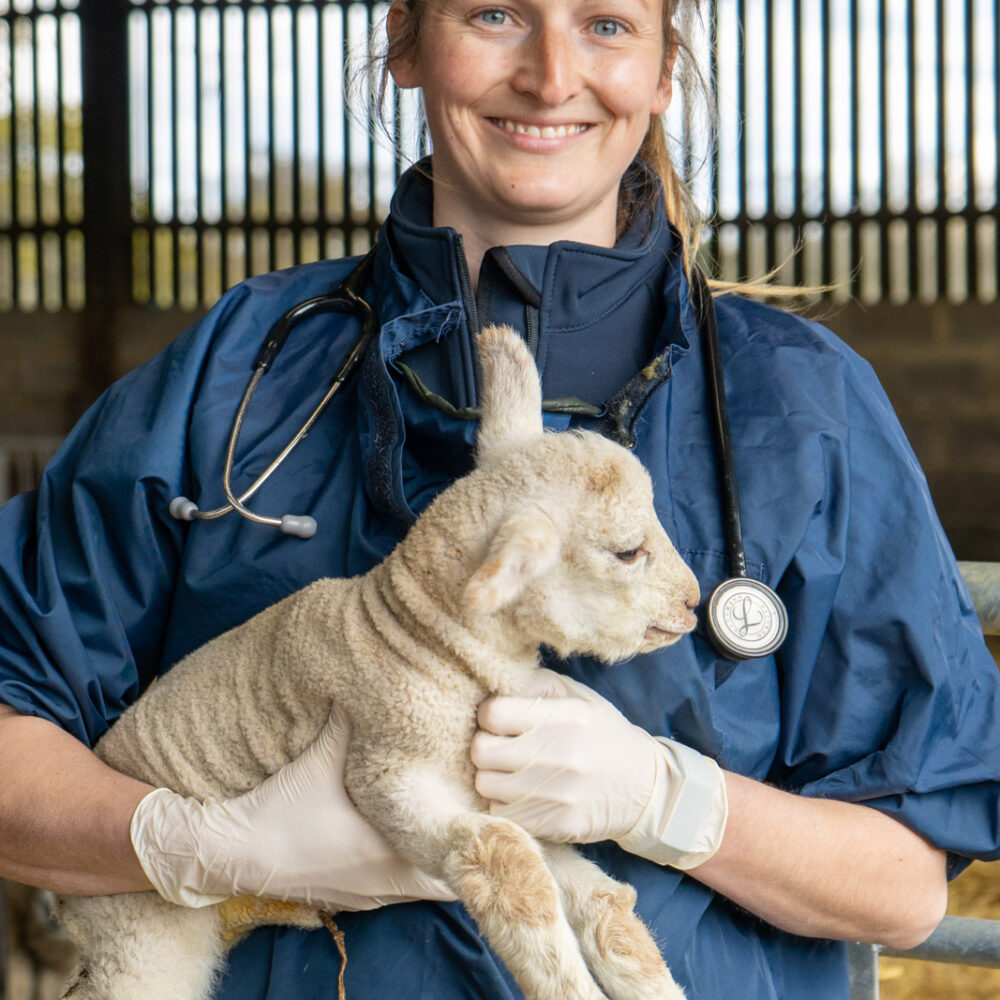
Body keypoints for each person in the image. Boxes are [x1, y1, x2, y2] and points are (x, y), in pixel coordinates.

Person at [1, 0, 998, 997]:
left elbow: (905, 883)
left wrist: (670, 800)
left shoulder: (797, 405)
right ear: (404, 42)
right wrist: (196, 844)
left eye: (605, 24)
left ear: (661, 71)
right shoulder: (237, 377)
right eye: (495, 14)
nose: (551, 75)